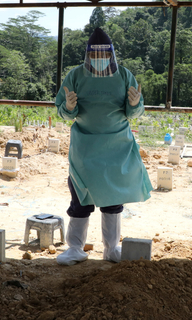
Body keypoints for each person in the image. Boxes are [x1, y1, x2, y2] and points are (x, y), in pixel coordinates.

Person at [55, 27, 152, 265]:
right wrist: (68, 106)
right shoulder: (76, 76)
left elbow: (134, 113)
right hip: (85, 149)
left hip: (116, 147)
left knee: (112, 199)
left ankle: (111, 248)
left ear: (111, 54)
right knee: (80, 199)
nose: (99, 60)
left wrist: (135, 103)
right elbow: (64, 113)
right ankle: (75, 248)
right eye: (95, 56)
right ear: (88, 55)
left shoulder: (124, 76)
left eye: (103, 55)